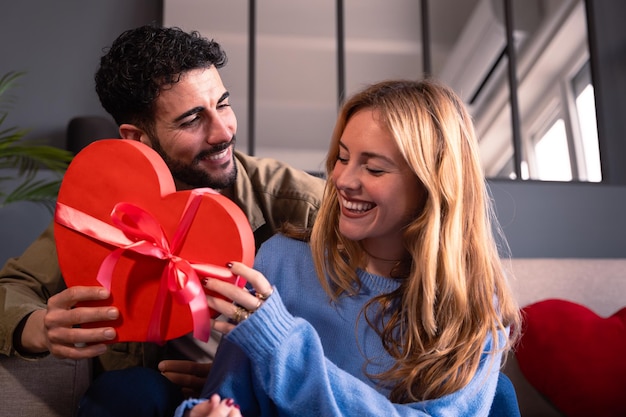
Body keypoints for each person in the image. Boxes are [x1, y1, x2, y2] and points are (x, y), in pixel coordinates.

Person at [0, 24, 324, 416]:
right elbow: (14, 286)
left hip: (270, 394)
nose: (223, 132)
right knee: (126, 391)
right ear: (137, 138)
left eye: (223, 104)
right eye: (192, 120)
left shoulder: (301, 205)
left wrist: (242, 377)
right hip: (157, 398)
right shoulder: (106, 215)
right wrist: (38, 327)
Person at [176, 79, 522, 416]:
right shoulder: (279, 260)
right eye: (342, 158)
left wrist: (285, 347)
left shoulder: (474, 308)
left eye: (373, 168)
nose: (342, 180)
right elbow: (228, 396)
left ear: (431, 185)